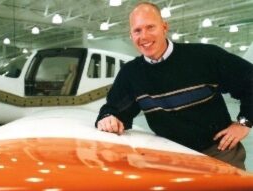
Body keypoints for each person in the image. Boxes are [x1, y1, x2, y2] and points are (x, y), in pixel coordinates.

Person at [95, 2, 253, 170]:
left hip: (218, 152)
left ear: (164, 27)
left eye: (150, 27)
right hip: (171, 157)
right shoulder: (131, 74)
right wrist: (108, 118)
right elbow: (113, 109)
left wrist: (244, 122)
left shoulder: (205, 57)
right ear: (131, 35)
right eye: (137, 30)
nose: (144, 36)